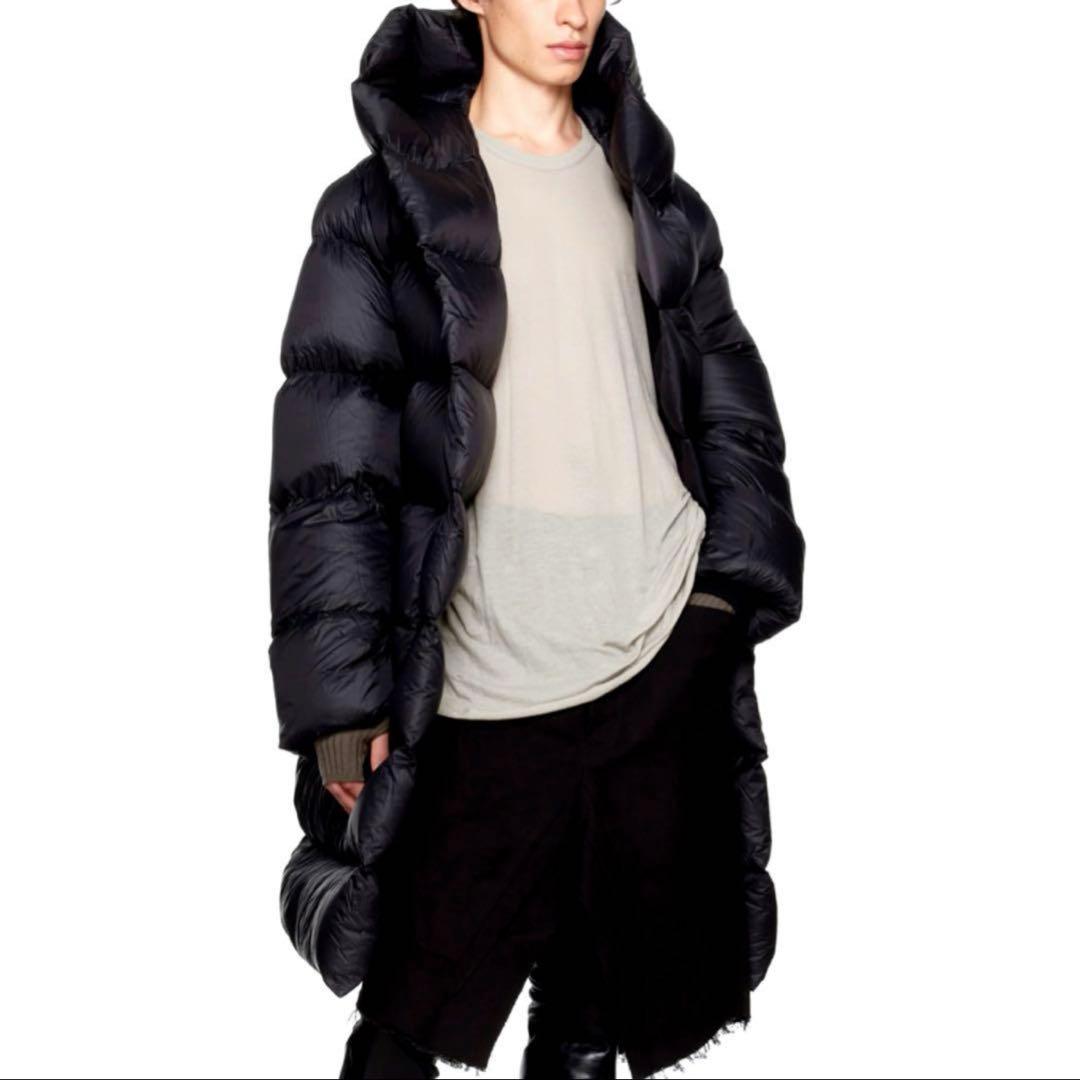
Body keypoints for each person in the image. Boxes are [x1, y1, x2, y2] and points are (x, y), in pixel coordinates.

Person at [267, 2, 805, 1078]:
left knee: (594, 1018)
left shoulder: (656, 199)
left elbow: (733, 412)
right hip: (485, 678)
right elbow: (331, 474)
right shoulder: (381, 209)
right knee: (408, 1017)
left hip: (659, 655)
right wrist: (342, 714)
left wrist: (717, 606)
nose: (573, 10)